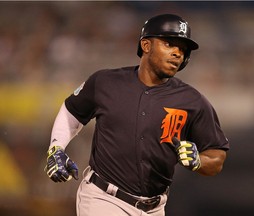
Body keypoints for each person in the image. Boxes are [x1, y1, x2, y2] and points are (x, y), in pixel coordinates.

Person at [44, 14, 230, 216]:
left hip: (155, 207)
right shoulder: (106, 82)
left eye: (183, 49)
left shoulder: (193, 101)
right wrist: (56, 147)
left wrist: (199, 161)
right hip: (103, 198)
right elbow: (72, 111)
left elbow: (216, 156)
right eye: (169, 43)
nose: (178, 53)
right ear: (146, 45)